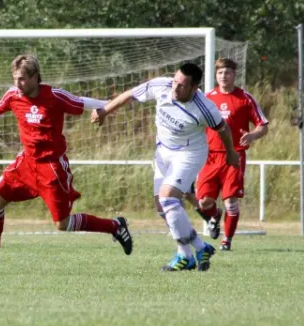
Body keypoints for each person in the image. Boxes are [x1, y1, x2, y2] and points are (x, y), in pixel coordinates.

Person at [0, 54, 133, 266]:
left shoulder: (54, 96)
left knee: (63, 224)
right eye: (15, 79)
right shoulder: (13, 95)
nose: (18, 84)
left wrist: (109, 106)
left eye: (22, 79)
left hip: (52, 167)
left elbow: (82, 102)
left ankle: (115, 226)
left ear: (35, 77)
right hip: (26, 163)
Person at [92, 63, 239, 271]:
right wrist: (105, 111)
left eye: (182, 86)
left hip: (189, 154)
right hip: (163, 151)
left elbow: (223, 129)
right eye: (175, 81)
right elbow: (131, 94)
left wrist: (231, 153)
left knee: (168, 197)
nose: (175, 88)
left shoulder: (205, 108)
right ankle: (189, 253)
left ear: (194, 87)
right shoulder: (162, 85)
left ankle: (195, 249)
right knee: (163, 208)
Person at [195, 58, 269, 251]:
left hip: (234, 156)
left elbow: (263, 125)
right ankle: (214, 216)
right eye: (220, 73)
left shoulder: (245, 98)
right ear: (216, 75)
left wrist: (252, 135)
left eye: (227, 72)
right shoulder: (207, 97)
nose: (223, 76)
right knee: (203, 201)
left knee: (231, 201)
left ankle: (226, 241)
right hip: (209, 156)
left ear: (234, 75)